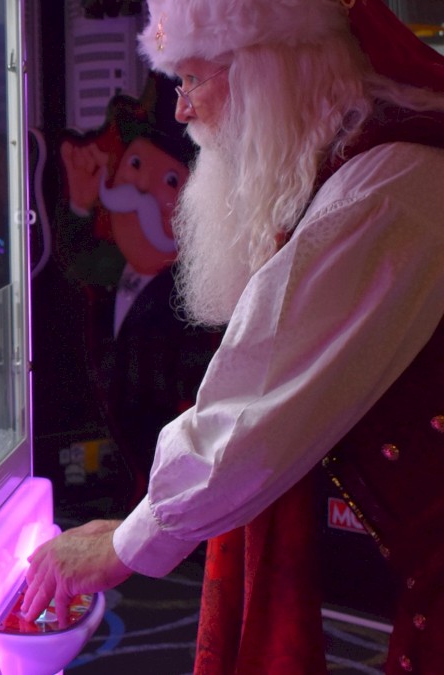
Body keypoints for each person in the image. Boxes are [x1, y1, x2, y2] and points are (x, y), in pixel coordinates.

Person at [22, 1, 444, 673]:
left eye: (191, 80)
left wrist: (128, 543)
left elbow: (255, 410)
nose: (181, 110)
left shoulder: (382, 190)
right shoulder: (367, 166)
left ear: (267, 73)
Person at [58, 80, 221, 506]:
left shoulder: (193, 297)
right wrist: (79, 201)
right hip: (114, 461)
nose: (141, 191)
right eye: (134, 165)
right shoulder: (115, 268)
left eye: (168, 179)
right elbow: (77, 261)